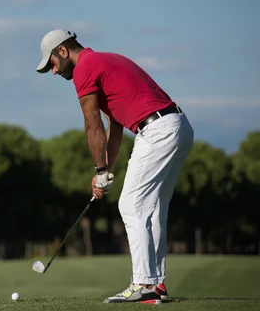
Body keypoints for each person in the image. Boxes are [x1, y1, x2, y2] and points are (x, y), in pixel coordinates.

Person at [35, 29, 194, 304]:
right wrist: (104, 172)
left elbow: (92, 125)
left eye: (52, 63)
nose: (53, 71)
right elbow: (114, 130)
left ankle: (143, 282)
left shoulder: (85, 68)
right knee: (153, 208)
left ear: (63, 51)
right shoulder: (105, 61)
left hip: (156, 130)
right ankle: (155, 284)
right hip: (178, 126)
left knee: (131, 205)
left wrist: (98, 172)